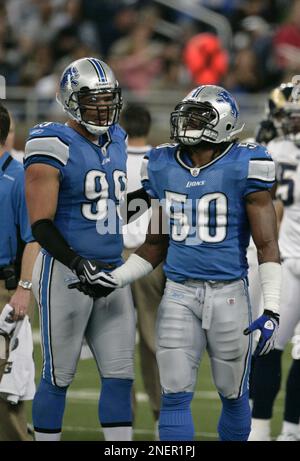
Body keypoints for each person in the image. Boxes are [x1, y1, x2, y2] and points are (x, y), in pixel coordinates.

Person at [86, 85, 282, 441]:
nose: (186, 123)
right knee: (173, 393)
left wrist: (272, 309)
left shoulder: (247, 163)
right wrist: (115, 278)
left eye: (197, 117)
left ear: (222, 123)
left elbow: (267, 245)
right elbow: (154, 246)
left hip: (229, 294)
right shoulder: (162, 166)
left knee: (233, 395)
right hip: (178, 293)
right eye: (186, 115)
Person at [24, 57, 136, 442]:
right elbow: (40, 223)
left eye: (109, 99)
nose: (103, 108)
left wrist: (154, 203)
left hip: (112, 271)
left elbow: (115, 205)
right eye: (93, 100)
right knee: (59, 375)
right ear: (72, 100)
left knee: (121, 375)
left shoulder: (118, 137)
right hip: (66, 272)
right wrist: (77, 261)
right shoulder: (52, 141)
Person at [249, 82, 300, 441]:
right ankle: (287, 431)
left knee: (268, 345)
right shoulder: (272, 149)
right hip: (284, 257)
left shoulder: (271, 149)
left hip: (282, 261)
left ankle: (261, 429)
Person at [120, 103, 164, 435]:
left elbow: (111, 215)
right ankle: (162, 414)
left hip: (118, 255)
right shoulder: (160, 160)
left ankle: (122, 420)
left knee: (117, 343)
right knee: (153, 342)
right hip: (152, 257)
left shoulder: (112, 158)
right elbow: (161, 210)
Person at [0, 102, 39, 441]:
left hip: (3, 288)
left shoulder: (18, 176)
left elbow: (32, 239)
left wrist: (23, 288)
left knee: (4, 388)